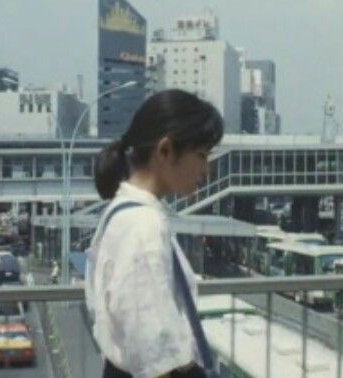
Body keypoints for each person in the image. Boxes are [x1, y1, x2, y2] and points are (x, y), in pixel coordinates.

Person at [85, 89, 223, 378]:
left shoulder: (121, 213)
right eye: (201, 155)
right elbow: (155, 356)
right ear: (164, 151)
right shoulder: (143, 227)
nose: (205, 169)